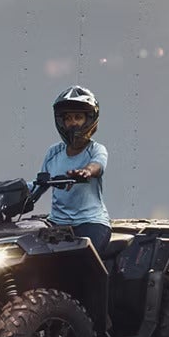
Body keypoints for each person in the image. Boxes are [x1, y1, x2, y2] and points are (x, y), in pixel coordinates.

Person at [39, 85, 110, 252]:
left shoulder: (96, 149)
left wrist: (86, 171)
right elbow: (40, 182)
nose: (72, 123)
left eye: (78, 117)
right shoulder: (53, 152)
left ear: (89, 120)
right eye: (68, 118)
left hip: (90, 223)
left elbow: (97, 166)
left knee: (80, 264)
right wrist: (14, 191)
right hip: (57, 223)